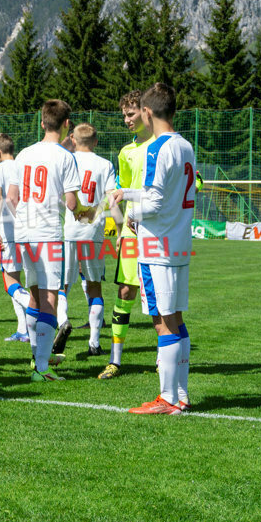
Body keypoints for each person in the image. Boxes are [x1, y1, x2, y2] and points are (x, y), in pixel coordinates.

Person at [108, 82, 195, 415]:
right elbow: (167, 192)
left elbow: (156, 201)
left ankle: (168, 399)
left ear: (147, 112)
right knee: (176, 320)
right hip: (178, 243)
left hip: (157, 246)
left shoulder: (157, 147)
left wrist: (133, 215)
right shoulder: (184, 145)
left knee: (162, 323)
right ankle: (180, 396)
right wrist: (128, 194)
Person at [6, 99, 87, 381]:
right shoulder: (65, 156)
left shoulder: (24, 153)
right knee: (50, 297)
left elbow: (12, 198)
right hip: (47, 232)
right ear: (67, 124)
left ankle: (37, 356)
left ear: (42, 122)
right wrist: (86, 212)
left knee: (34, 295)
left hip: (23, 231)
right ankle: (42, 367)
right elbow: (72, 202)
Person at [98, 90, 155, 381]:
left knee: (157, 294)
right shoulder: (125, 152)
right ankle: (115, 360)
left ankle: (163, 358)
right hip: (131, 234)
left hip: (157, 232)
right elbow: (120, 194)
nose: (127, 120)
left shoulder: (164, 145)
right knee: (124, 292)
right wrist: (119, 230)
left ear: (146, 112)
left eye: (130, 114)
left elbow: (193, 181)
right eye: (124, 115)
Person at [52, 123, 116, 360]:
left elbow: (59, 196)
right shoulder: (105, 164)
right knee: (94, 286)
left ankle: (63, 321)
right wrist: (95, 212)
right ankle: (94, 343)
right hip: (93, 232)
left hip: (68, 230)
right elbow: (111, 199)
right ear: (96, 141)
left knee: (62, 285)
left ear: (73, 140)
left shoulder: (65, 160)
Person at [0, 133, 31, 342]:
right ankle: (23, 329)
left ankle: (37, 309)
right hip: (29, 228)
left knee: (9, 281)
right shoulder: (24, 165)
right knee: (22, 279)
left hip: (9, 230)